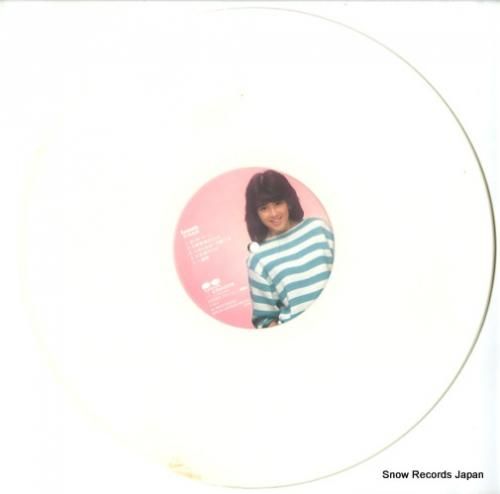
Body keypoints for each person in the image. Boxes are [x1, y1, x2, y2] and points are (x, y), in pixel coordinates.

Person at [245, 170, 334, 328]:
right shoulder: (258, 259)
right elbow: (265, 320)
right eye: (264, 208)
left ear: (289, 202)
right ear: (256, 214)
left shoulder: (318, 229)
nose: (273, 213)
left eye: (278, 203)